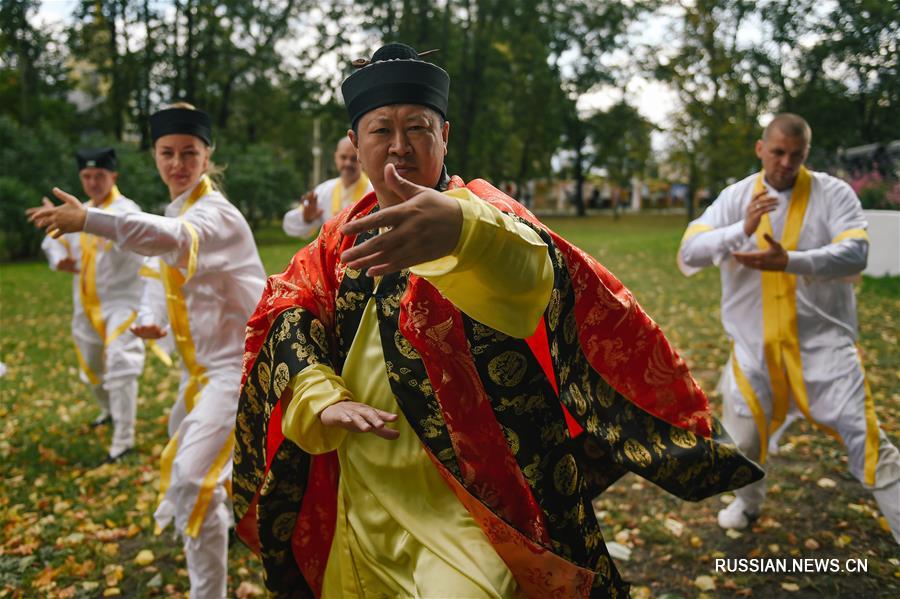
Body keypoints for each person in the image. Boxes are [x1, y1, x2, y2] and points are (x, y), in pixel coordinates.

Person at [232, 43, 763, 598]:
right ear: (354, 144)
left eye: (417, 127)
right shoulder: (336, 236)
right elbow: (286, 308)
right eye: (379, 130)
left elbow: (537, 271)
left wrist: (463, 232)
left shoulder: (480, 208)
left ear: (445, 136)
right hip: (363, 489)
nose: (399, 146)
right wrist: (320, 392)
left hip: (471, 499)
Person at [28, 104, 267, 597]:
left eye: (189, 153)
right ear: (155, 156)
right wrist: (152, 316)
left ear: (206, 156)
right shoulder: (177, 208)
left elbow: (172, 240)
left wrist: (90, 220)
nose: (177, 163)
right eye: (167, 153)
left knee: (192, 481)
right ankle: (238, 518)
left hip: (237, 369)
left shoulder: (214, 214)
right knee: (194, 468)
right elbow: (162, 267)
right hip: (198, 375)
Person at [678, 113, 900, 543]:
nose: (785, 162)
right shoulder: (736, 196)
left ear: (806, 155)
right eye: (777, 152)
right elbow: (690, 251)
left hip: (825, 346)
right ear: (761, 149)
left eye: (795, 155)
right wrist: (739, 230)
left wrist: (791, 261)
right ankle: (747, 503)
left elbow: (857, 252)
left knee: (869, 440)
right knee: (742, 444)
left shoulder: (832, 193)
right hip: (754, 348)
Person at [33, 147, 146, 463]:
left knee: (121, 365)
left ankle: (123, 440)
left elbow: (139, 240)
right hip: (85, 303)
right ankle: (109, 411)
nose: (93, 182)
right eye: (87, 176)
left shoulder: (127, 209)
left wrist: (89, 222)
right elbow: (54, 242)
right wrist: (61, 259)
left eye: (100, 175)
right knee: (93, 370)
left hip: (123, 302)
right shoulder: (76, 209)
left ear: (114, 176)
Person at [282, 137, 372, 238]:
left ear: (362, 159)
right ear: (336, 158)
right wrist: (307, 219)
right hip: (330, 253)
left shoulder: (373, 192)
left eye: (353, 158)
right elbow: (289, 226)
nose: (348, 163)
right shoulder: (324, 190)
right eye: (343, 157)